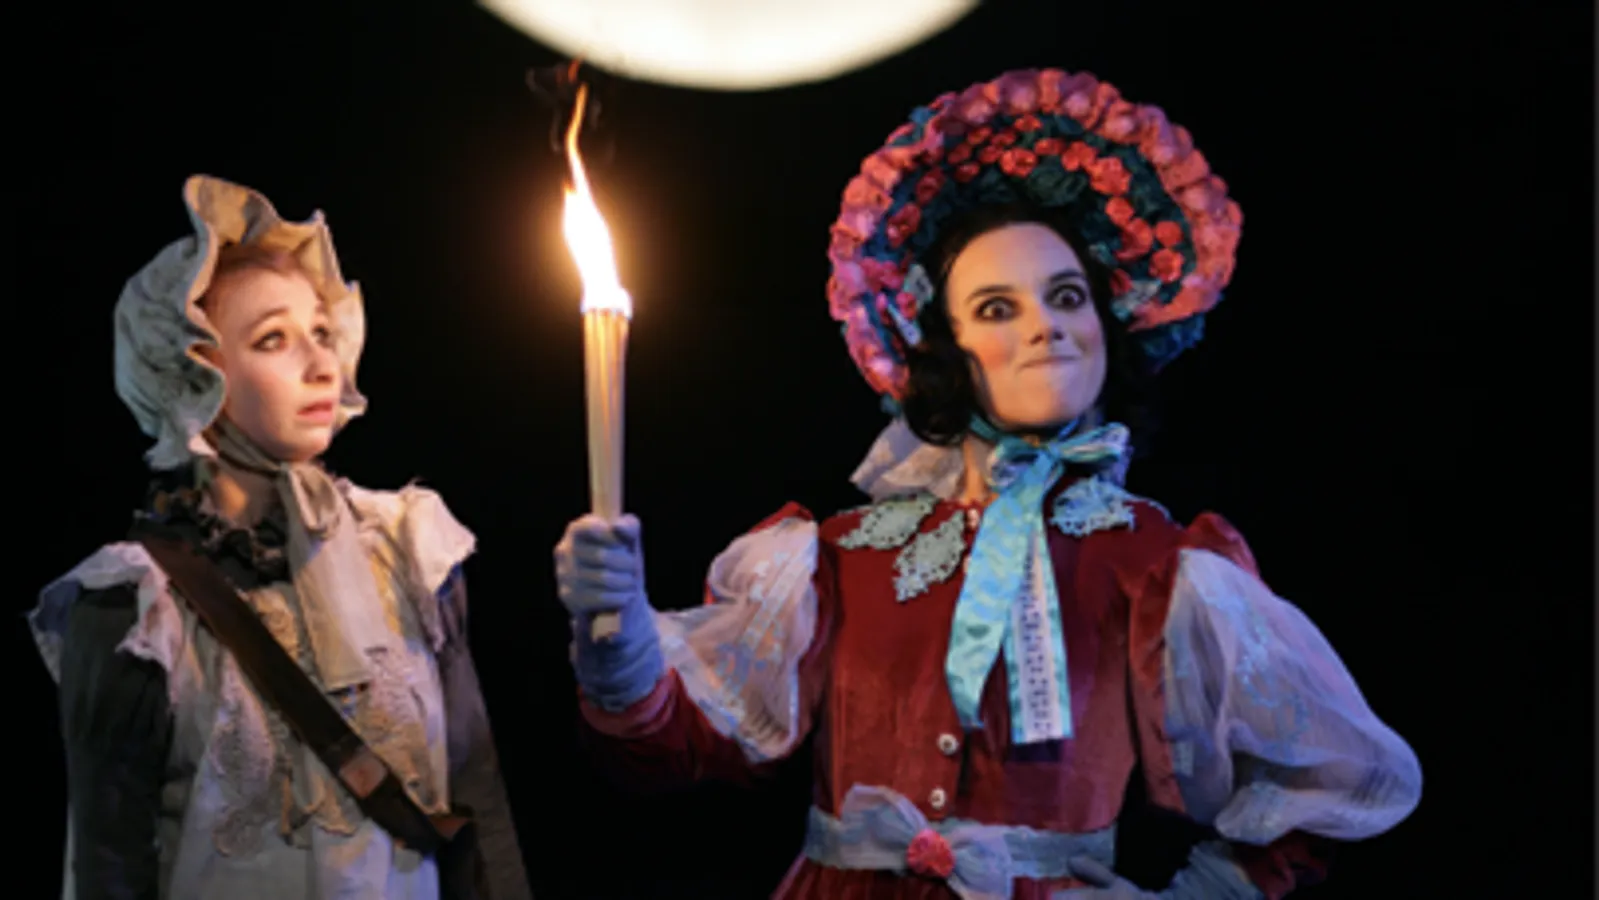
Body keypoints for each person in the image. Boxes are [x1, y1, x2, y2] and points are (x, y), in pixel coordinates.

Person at [553, 68, 1422, 898]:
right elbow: (670, 751)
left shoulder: (1156, 565)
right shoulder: (837, 556)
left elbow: (1332, 786)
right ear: (941, 351)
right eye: (997, 308)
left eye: (1067, 297)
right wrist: (614, 630)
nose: (1046, 327)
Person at [28, 175, 533, 899]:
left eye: (322, 333)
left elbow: (477, 802)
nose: (322, 364)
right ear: (193, 371)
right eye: (273, 339)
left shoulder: (407, 549)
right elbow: (108, 868)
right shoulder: (136, 607)